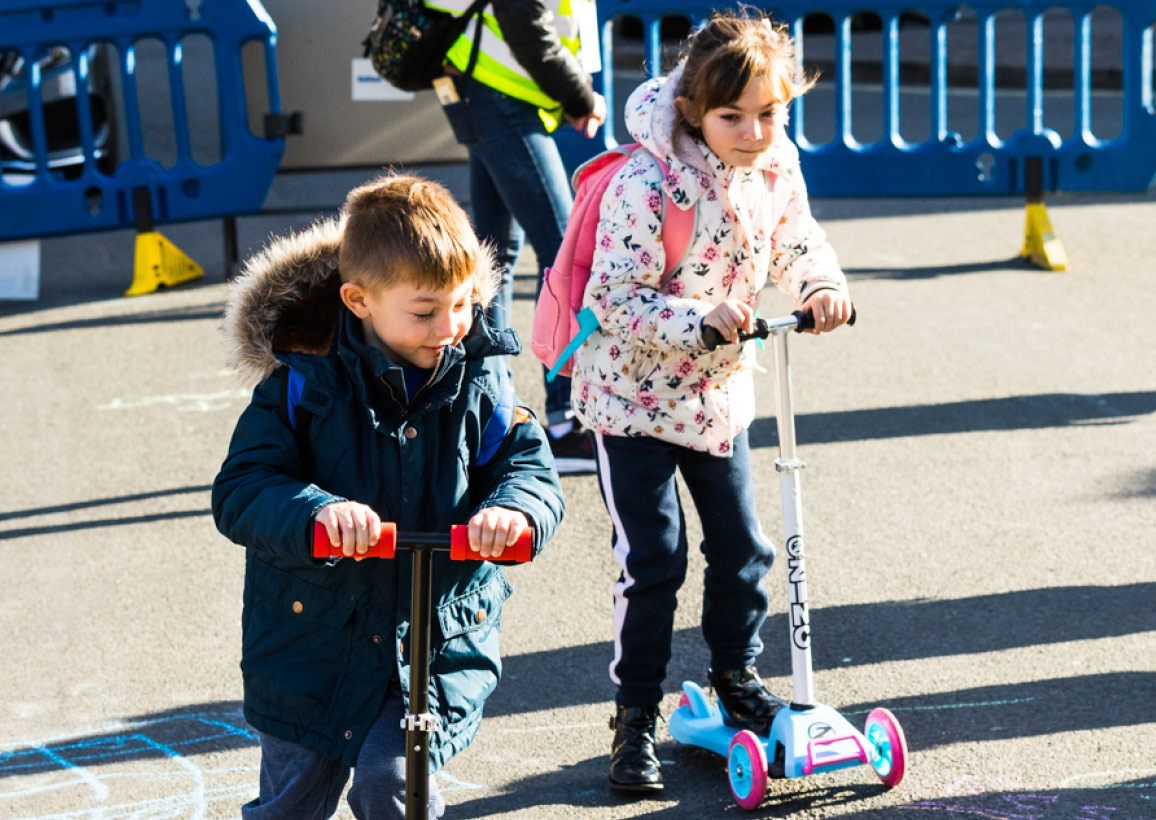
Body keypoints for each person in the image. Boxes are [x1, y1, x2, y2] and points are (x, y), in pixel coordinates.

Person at [212, 173, 565, 819]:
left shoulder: (478, 377)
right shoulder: (304, 381)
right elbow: (243, 488)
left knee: (394, 789)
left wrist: (514, 512)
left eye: (463, 304)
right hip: (312, 639)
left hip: (425, 643)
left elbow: (527, 464)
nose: (451, 326)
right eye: (426, 311)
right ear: (358, 300)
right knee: (291, 801)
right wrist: (317, 511)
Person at [568, 11, 853, 793]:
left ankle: (736, 676)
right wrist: (697, 320)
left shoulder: (775, 166)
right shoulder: (645, 182)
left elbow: (800, 241)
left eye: (771, 113)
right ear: (694, 110)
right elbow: (616, 297)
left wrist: (821, 285)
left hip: (716, 399)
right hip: (629, 399)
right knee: (653, 560)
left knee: (743, 549)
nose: (755, 132)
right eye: (734, 117)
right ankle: (634, 717)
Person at [426, 0, 607, 474]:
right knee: (568, 255)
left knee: (490, 261)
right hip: (502, 95)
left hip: (483, 90)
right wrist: (580, 96)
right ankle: (564, 425)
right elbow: (529, 30)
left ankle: (490, 420)